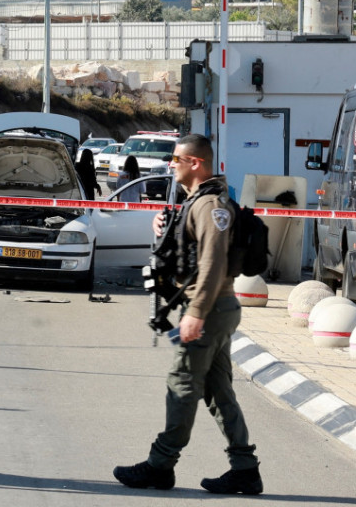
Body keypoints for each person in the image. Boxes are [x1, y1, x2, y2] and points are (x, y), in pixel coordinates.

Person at [113, 134, 262, 495]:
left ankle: (159, 466)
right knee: (217, 389)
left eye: (176, 159)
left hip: (208, 309)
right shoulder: (195, 202)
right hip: (211, 308)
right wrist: (162, 230)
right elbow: (188, 251)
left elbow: (213, 263)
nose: (171, 165)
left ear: (196, 163)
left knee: (181, 383)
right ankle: (244, 469)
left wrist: (195, 314)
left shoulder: (212, 206)